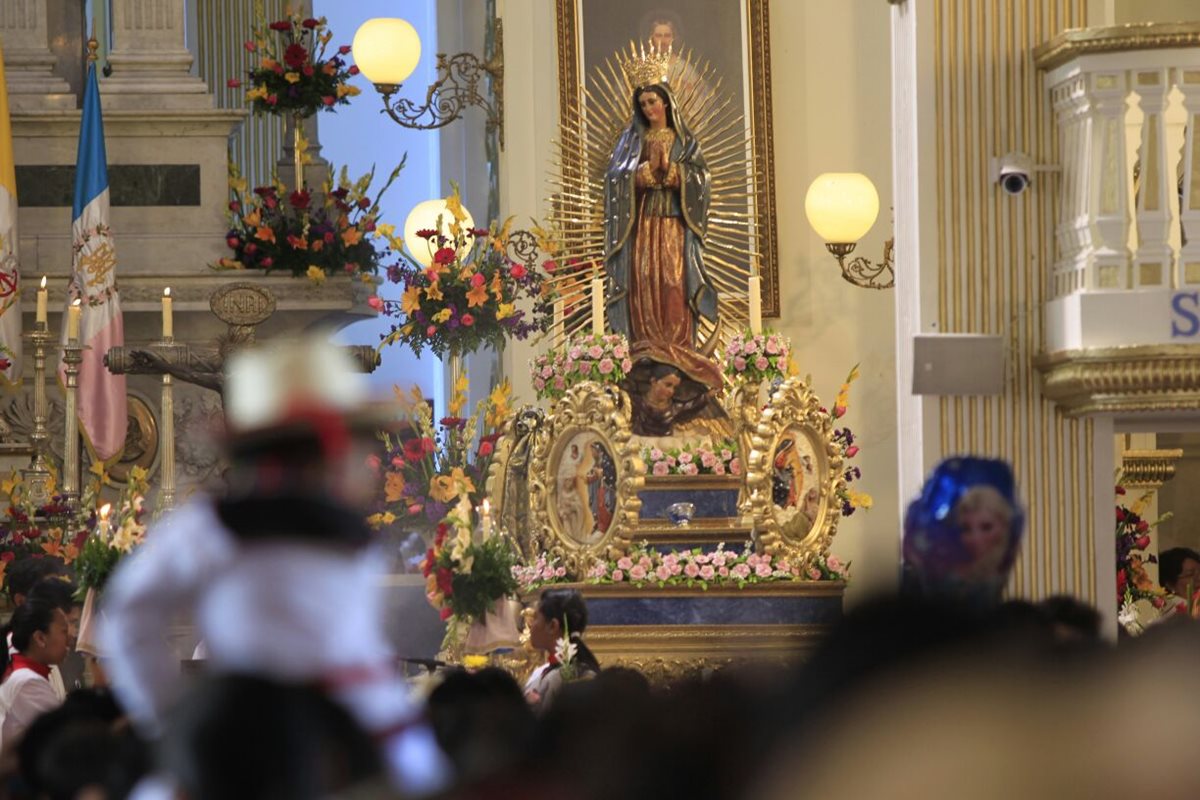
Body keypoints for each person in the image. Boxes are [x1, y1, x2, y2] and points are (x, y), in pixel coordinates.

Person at [97, 337, 447, 795]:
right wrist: (170, 711)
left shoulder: (337, 533)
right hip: (261, 731)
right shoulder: (218, 527)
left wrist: (168, 711)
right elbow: (129, 614)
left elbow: (129, 616)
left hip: (280, 726)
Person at [604, 80, 723, 394]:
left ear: (667, 103)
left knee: (673, 281)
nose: (648, 109)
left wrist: (673, 173)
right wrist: (640, 173)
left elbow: (701, 178)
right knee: (644, 278)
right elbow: (615, 178)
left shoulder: (685, 141)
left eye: (653, 102)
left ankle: (677, 347)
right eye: (643, 104)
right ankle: (645, 343)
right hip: (643, 227)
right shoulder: (631, 141)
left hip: (673, 226)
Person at [0, 598, 70, 747]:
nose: (70, 638)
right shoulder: (27, 682)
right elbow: (62, 738)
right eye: (64, 631)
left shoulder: (24, 673)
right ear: (40, 638)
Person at [523, 588, 600, 713]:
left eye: (536, 618)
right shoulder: (545, 672)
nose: (531, 625)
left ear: (553, 626)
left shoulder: (563, 677)